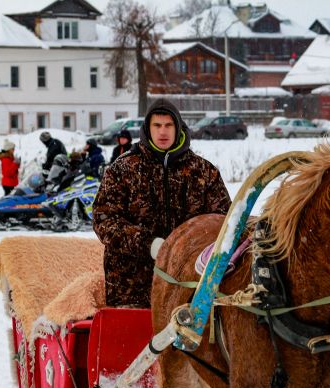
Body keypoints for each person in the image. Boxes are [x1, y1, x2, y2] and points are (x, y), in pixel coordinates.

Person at [93, 99, 231, 307]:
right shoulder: (122, 170)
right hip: (132, 289)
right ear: (147, 129)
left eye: (168, 125)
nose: (163, 132)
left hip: (189, 288)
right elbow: (104, 220)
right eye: (157, 125)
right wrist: (149, 244)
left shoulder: (203, 172)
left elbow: (224, 221)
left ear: (178, 128)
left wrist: (190, 249)